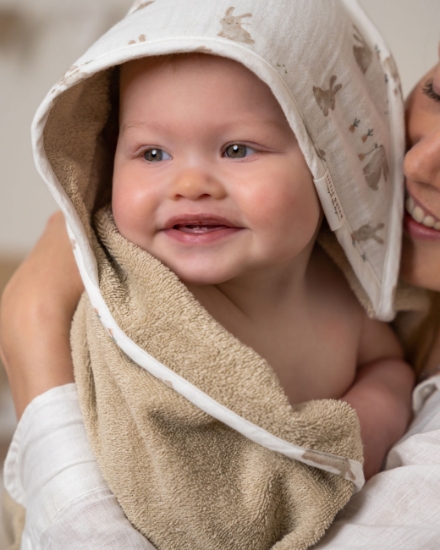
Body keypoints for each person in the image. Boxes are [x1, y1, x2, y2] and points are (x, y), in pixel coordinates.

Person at [0, 1, 418, 548]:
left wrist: (360, 424)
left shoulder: (340, 299)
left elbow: (390, 363)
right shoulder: (119, 281)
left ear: (326, 169)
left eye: (237, 149)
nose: (190, 183)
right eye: (152, 153)